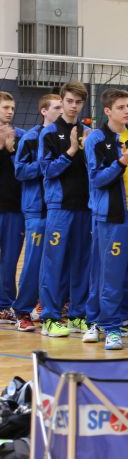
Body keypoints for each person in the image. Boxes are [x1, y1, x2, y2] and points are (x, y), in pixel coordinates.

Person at [85, 89, 128, 350]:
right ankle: (110, 328)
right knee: (110, 276)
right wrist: (125, 160)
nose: (127, 111)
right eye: (121, 107)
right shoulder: (97, 139)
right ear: (107, 111)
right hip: (114, 217)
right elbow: (97, 179)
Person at [38, 82, 92, 338]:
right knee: (54, 263)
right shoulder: (49, 133)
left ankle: (77, 315)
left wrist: (88, 150)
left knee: (82, 264)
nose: (73, 106)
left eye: (78, 102)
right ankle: (49, 318)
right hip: (60, 208)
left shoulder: (89, 133)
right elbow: (47, 170)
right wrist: (71, 151)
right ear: (62, 101)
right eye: (69, 101)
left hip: (85, 207)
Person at [12, 94, 61, 332]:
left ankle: (48, 306)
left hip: (59, 208)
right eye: (57, 107)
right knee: (33, 261)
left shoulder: (66, 136)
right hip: (37, 209)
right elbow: (20, 171)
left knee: (55, 262)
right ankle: (22, 310)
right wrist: (45, 165)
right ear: (44, 111)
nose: (62, 110)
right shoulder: (31, 138)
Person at [0, 92, 23, 320]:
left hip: (14, 209)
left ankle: (5, 304)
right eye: (5, 107)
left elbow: (23, 171)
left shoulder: (21, 136)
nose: (10, 112)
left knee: (9, 260)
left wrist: (11, 150)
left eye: (12, 108)